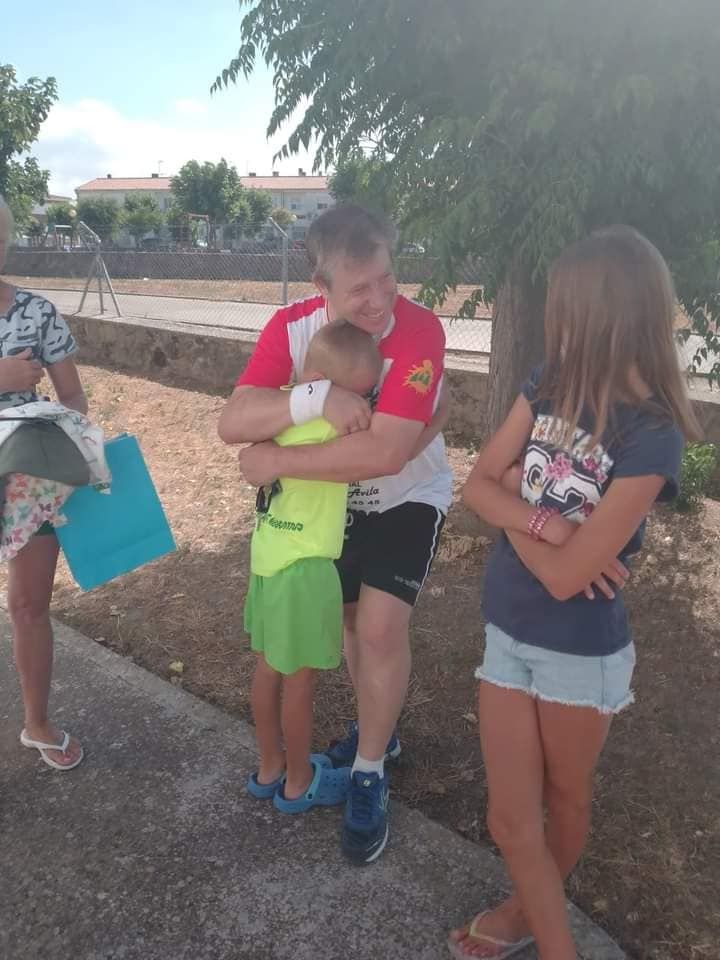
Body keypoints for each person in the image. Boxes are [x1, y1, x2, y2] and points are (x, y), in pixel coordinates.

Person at [450, 225, 701, 960]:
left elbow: (563, 578)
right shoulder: (544, 383)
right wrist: (550, 526)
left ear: (598, 314)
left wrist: (528, 528)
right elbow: (475, 483)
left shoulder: (651, 436)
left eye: (561, 303)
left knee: (568, 801)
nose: (551, 316)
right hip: (507, 628)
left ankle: (531, 913)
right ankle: (549, 926)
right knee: (509, 820)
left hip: (579, 652)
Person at [218, 204, 452, 864]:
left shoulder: (418, 331)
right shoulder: (290, 328)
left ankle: (370, 771)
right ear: (321, 289)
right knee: (348, 624)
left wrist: (278, 459)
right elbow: (234, 420)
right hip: (326, 510)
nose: (380, 300)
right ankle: (385, 731)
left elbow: (386, 453)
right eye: (360, 289)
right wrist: (311, 400)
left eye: (386, 278)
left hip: (406, 496)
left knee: (379, 628)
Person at [242, 321, 383, 812]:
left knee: (267, 669)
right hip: (306, 567)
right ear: (325, 384)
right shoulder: (336, 422)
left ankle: (268, 766)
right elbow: (378, 444)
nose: (361, 403)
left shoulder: (275, 414)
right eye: (358, 392)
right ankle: (300, 779)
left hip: (268, 560)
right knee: (300, 680)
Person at [0, 195, 88, 771]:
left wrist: (80, 450)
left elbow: (73, 395)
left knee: (30, 605)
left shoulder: (37, 311)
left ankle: (36, 723)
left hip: (29, 474)